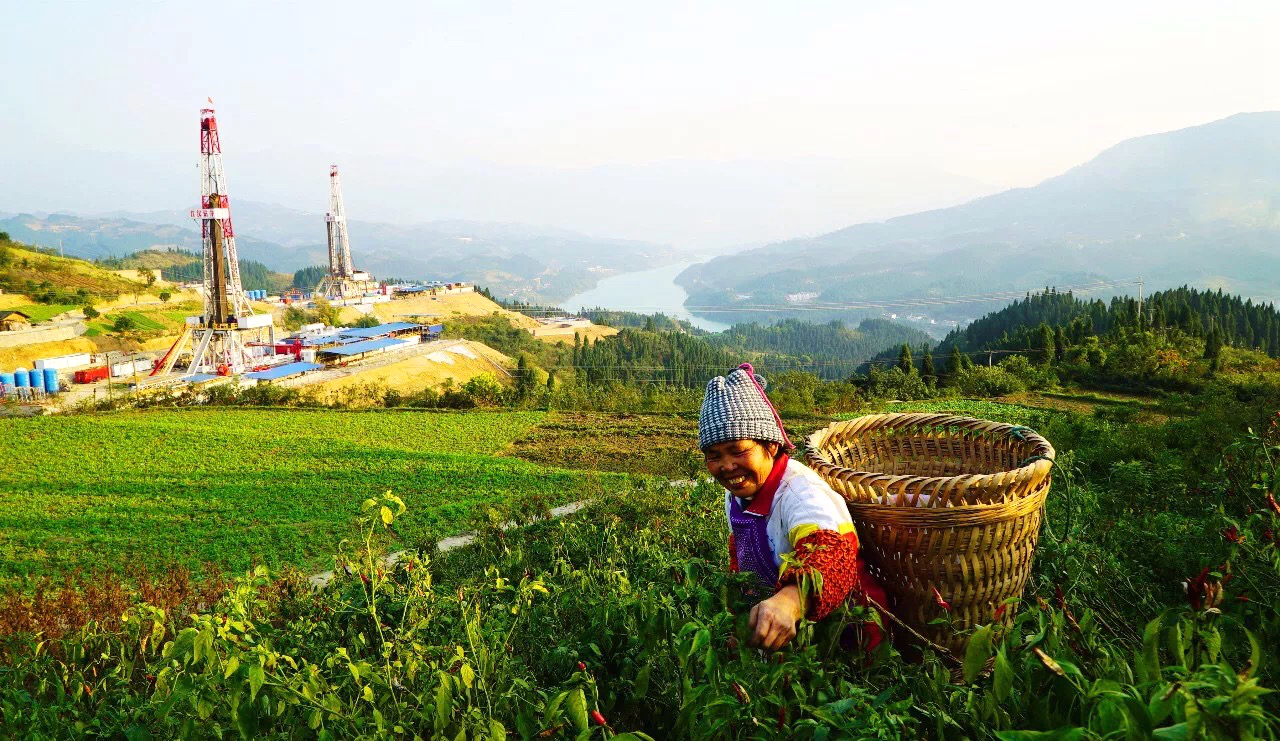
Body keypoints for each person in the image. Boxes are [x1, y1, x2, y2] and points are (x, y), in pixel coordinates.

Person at [700, 363, 886, 652]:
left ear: (771, 446)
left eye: (738, 451)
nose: (726, 466)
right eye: (714, 456)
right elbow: (741, 554)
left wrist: (790, 600)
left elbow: (832, 553)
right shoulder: (738, 495)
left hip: (848, 634)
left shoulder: (799, 493)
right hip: (792, 636)